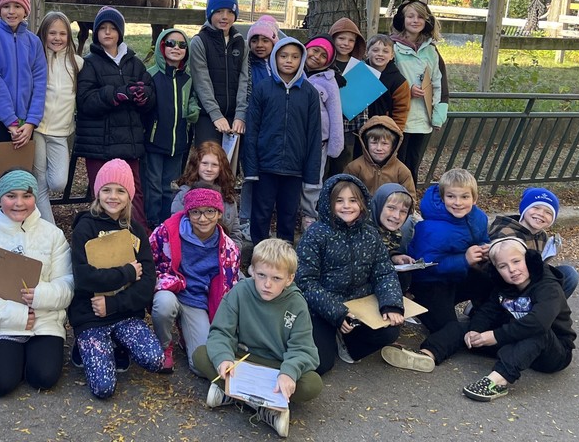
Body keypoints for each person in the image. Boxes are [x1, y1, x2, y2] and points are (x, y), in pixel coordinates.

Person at [381, 237, 575, 403]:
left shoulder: (549, 287)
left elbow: (538, 322)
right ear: (496, 271)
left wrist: (495, 336)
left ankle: (498, 381)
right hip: (513, 340)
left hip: (552, 352)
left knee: (538, 333)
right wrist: (475, 330)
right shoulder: (504, 285)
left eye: (516, 262)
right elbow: (488, 310)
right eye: (503, 266)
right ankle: (427, 354)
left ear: (530, 260)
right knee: (462, 327)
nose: (512, 270)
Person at [0, 170, 73, 397]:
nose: (19, 203)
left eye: (27, 196)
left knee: (43, 378)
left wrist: (41, 295)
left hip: (43, 320)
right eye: (11, 196)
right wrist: (16, 315)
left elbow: (67, 283)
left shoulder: (52, 234)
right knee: (0, 382)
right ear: (0, 198)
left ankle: (25, 357)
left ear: (35, 197)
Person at [195, 239, 323, 438]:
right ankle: (267, 408)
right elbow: (221, 332)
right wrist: (224, 358)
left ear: (289, 279)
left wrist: (289, 372)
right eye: (261, 275)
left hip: (276, 366)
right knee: (201, 355)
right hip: (241, 360)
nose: (267, 284)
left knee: (312, 384)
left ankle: (230, 393)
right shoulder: (240, 291)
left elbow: (303, 348)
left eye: (276, 278)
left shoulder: (297, 303)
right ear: (252, 271)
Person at [68, 159, 163, 398]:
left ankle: (117, 342)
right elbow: (84, 278)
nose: (113, 196)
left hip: (124, 312)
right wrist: (127, 273)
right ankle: (85, 345)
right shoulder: (84, 229)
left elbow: (147, 282)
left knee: (155, 359)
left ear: (129, 195)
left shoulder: (135, 230)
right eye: (106, 190)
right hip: (91, 315)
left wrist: (113, 304)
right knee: (103, 388)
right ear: (97, 193)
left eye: (120, 190)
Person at [296, 175, 404, 374]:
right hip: (322, 309)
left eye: (353, 200)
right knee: (320, 364)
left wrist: (391, 304)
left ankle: (349, 345)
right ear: (329, 204)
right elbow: (305, 282)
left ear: (362, 203)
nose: (347, 206)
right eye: (339, 201)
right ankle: (330, 335)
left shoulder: (370, 234)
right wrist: (337, 313)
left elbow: (384, 272)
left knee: (390, 329)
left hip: (359, 305)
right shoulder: (315, 234)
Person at [74, 6, 156, 229]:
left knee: (132, 191)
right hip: (99, 143)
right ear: (96, 33)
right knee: (102, 191)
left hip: (129, 142)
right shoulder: (90, 63)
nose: (108, 32)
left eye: (113, 28)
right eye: (102, 28)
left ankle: (137, 235)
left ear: (120, 32)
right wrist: (115, 94)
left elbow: (150, 93)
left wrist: (143, 96)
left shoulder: (134, 63)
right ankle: (102, 234)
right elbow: (85, 101)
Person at [149, 187, 241, 374]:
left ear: (219, 213)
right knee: (163, 304)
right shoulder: (167, 232)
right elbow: (149, 261)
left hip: (198, 301)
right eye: (196, 212)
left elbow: (229, 289)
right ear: (188, 213)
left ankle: (186, 337)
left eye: (210, 211)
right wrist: (162, 282)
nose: (203, 218)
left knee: (200, 365)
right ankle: (164, 345)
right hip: (171, 290)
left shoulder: (229, 249)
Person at [243, 37, 322, 244]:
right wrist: (251, 168)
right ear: (275, 58)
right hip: (265, 166)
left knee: (288, 214)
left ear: (301, 60)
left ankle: (285, 253)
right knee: (261, 213)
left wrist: (311, 173)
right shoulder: (263, 88)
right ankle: (259, 252)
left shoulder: (309, 93)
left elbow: (314, 135)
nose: (289, 61)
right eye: (284, 56)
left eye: (295, 57)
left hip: (294, 168)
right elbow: (252, 130)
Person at [408, 168, 491, 333]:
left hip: (458, 276)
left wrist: (486, 249)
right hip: (430, 284)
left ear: (474, 199)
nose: (458, 203)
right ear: (442, 197)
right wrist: (464, 260)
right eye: (451, 196)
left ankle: (482, 313)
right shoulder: (431, 229)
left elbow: (482, 238)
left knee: (494, 280)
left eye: (465, 197)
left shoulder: (479, 217)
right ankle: (421, 307)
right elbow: (424, 266)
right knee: (448, 329)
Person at [0, 0, 46, 162]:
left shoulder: (34, 42)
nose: (11, 11)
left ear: (26, 10)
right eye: (6, 6)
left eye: (17, 6)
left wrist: (31, 121)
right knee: (3, 170)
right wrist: (10, 121)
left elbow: (40, 83)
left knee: (22, 172)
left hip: (26, 120)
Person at [142, 27, 198, 229]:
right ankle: (152, 223)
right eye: (171, 44)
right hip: (154, 141)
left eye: (182, 45)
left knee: (170, 186)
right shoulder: (151, 75)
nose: (176, 48)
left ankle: (167, 224)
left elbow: (192, 99)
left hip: (178, 143)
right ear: (161, 47)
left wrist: (193, 109)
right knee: (153, 186)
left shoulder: (188, 78)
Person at [390, 0, 448, 186]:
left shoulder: (431, 51)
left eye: (420, 17)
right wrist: (406, 90)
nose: (415, 20)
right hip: (399, 116)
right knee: (396, 161)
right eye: (410, 16)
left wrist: (438, 115)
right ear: (403, 19)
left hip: (422, 118)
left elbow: (439, 82)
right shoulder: (392, 47)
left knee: (413, 163)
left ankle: (410, 197)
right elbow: (386, 77)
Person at [34, 11, 84, 224]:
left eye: (62, 33)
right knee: (40, 181)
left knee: (58, 182)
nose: (57, 38)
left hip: (60, 132)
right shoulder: (36, 59)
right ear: (43, 34)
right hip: (36, 129)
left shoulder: (76, 63)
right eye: (52, 33)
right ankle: (50, 230)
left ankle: (35, 207)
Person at [187, 0, 249, 147]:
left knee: (231, 161)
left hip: (235, 116)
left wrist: (240, 115)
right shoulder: (200, 42)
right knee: (208, 159)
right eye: (219, 11)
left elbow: (245, 81)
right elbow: (201, 81)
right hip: (208, 115)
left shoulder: (242, 44)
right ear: (210, 13)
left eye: (230, 12)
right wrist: (216, 115)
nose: (224, 17)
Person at [489, 187, 579, 297]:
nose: (541, 214)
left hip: (531, 278)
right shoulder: (506, 232)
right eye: (536, 207)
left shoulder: (542, 236)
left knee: (569, 274)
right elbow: (502, 269)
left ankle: (550, 306)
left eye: (548, 212)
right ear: (524, 208)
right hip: (509, 283)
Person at [239, 15, 283, 235]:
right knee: (250, 173)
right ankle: (245, 218)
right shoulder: (248, 66)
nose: (259, 45)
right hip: (253, 127)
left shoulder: (281, 66)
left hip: (276, 129)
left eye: (265, 40)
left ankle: (267, 217)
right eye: (255, 40)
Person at [171, 142, 248, 251]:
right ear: (196, 164)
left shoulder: (227, 195)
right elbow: (175, 229)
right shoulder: (184, 194)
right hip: (190, 254)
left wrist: (232, 254)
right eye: (204, 163)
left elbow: (235, 233)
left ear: (221, 167)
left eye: (214, 165)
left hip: (223, 254)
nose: (209, 169)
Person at [302, 35, 345, 231]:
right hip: (294, 138)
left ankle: (309, 214)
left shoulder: (328, 81)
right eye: (315, 50)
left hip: (319, 140)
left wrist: (336, 143)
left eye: (323, 55)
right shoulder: (292, 71)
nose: (317, 56)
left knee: (313, 180)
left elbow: (335, 112)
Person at [328, 17, 368, 169]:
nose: (346, 43)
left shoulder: (359, 67)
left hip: (348, 129)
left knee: (343, 167)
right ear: (332, 38)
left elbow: (363, 102)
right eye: (341, 38)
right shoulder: (324, 64)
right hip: (325, 127)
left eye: (351, 40)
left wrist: (363, 128)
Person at [345, 116, 415, 197]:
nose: (379, 148)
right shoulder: (354, 167)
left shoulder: (402, 171)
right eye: (374, 143)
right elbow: (344, 194)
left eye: (384, 143)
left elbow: (410, 199)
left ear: (393, 146)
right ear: (366, 144)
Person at [365, 34, 410, 133]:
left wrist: (395, 133)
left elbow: (401, 111)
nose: (380, 54)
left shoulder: (398, 81)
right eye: (375, 50)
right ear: (367, 52)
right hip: (357, 127)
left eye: (385, 51)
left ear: (392, 56)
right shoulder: (358, 72)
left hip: (383, 131)